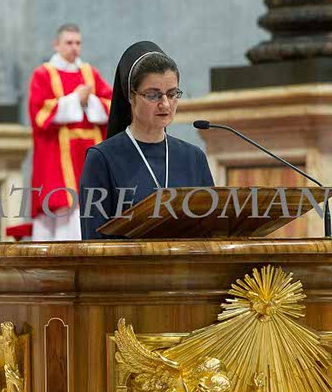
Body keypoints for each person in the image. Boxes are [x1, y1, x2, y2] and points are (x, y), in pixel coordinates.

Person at [79, 41, 214, 240]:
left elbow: (211, 233)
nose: (165, 104)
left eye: (172, 94)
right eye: (153, 95)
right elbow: (94, 243)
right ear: (131, 96)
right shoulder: (102, 159)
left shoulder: (194, 158)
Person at [28, 23, 112, 241]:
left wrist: (89, 100)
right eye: (69, 43)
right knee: (63, 208)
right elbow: (39, 113)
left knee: (90, 202)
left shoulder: (90, 73)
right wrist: (75, 100)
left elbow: (111, 104)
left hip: (89, 150)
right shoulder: (43, 74)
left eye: (78, 43)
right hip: (58, 155)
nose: (74, 47)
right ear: (56, 45)